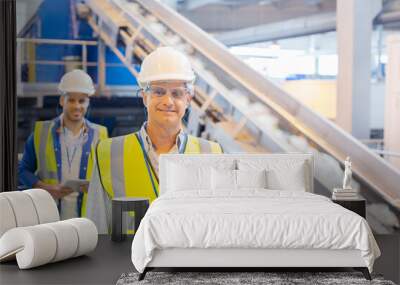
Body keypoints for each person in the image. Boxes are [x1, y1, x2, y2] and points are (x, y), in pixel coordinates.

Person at [86, 47, 223, 233]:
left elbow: (217, 226)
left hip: (190, 261)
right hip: (128, 261)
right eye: (158, 92)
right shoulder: (108, 153)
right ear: (144, 97)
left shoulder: (212, 154)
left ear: (188, 99)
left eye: (177, 93)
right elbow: (97, 228)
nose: (168, 101)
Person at [18, 69, 108, 219]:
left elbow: (108, 177)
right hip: (49, 219)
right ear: (62, 101)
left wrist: (96, 187)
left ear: (88, 102)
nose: (77, 106)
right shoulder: (41, 133)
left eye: (81, 101)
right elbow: (22, 171)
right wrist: (45, 188)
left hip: (87, 221)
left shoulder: (101, 135)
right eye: (71, 100)